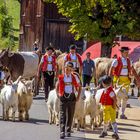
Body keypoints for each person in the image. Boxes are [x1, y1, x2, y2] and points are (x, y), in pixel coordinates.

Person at [109, 46, 140, 119]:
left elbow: (133, 70)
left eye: (128, 52)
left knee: (125, 97)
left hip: (126, 80)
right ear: (122, 52)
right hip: (118, 80)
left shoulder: (129, 61)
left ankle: (122, 113)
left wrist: (138, 79)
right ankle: (116, 111)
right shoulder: (116, 60)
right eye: (126, 52)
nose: (127, 53)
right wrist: (109, 79)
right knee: (118, 97)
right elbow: (111, 70)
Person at [56, 61, 81, 139]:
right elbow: (57, 85)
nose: (68, 71)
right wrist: (58, 94)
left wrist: (78, 97)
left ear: (72, 70)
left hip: (72, 97)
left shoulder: (75, 77)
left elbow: (79, 87)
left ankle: (68, 130)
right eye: (67, 69)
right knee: (63, 115)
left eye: (70, 69)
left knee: (70, 114)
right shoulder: (61, 77)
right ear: (64, 68)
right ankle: (62, 131)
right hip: (63, 97)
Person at [99, 75, 119, 140]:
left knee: (112, 120)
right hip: (106, 107)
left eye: (102, 82)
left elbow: (115, 99)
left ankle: (115, 133)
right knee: (105, 120)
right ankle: (104, 131)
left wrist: (114, 106)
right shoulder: (106, 90)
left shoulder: (110, 91)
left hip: (110, 108)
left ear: (104, 84)